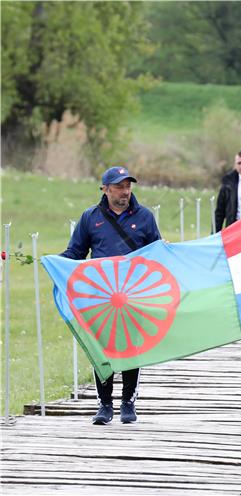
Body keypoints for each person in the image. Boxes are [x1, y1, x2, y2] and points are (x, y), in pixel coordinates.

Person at [60, 166, 161, 425]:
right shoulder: (89, 217)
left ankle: (128, 402)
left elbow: (156, 255)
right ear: (105, 189)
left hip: (133, 295)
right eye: (118, 186)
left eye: (128, 186)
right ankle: (104, 404)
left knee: (130, 347)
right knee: (102, 349)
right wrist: (53, 262)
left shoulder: (146, 217)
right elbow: (76, 253)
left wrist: (167, 251)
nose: (125, 191)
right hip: (100, 296)